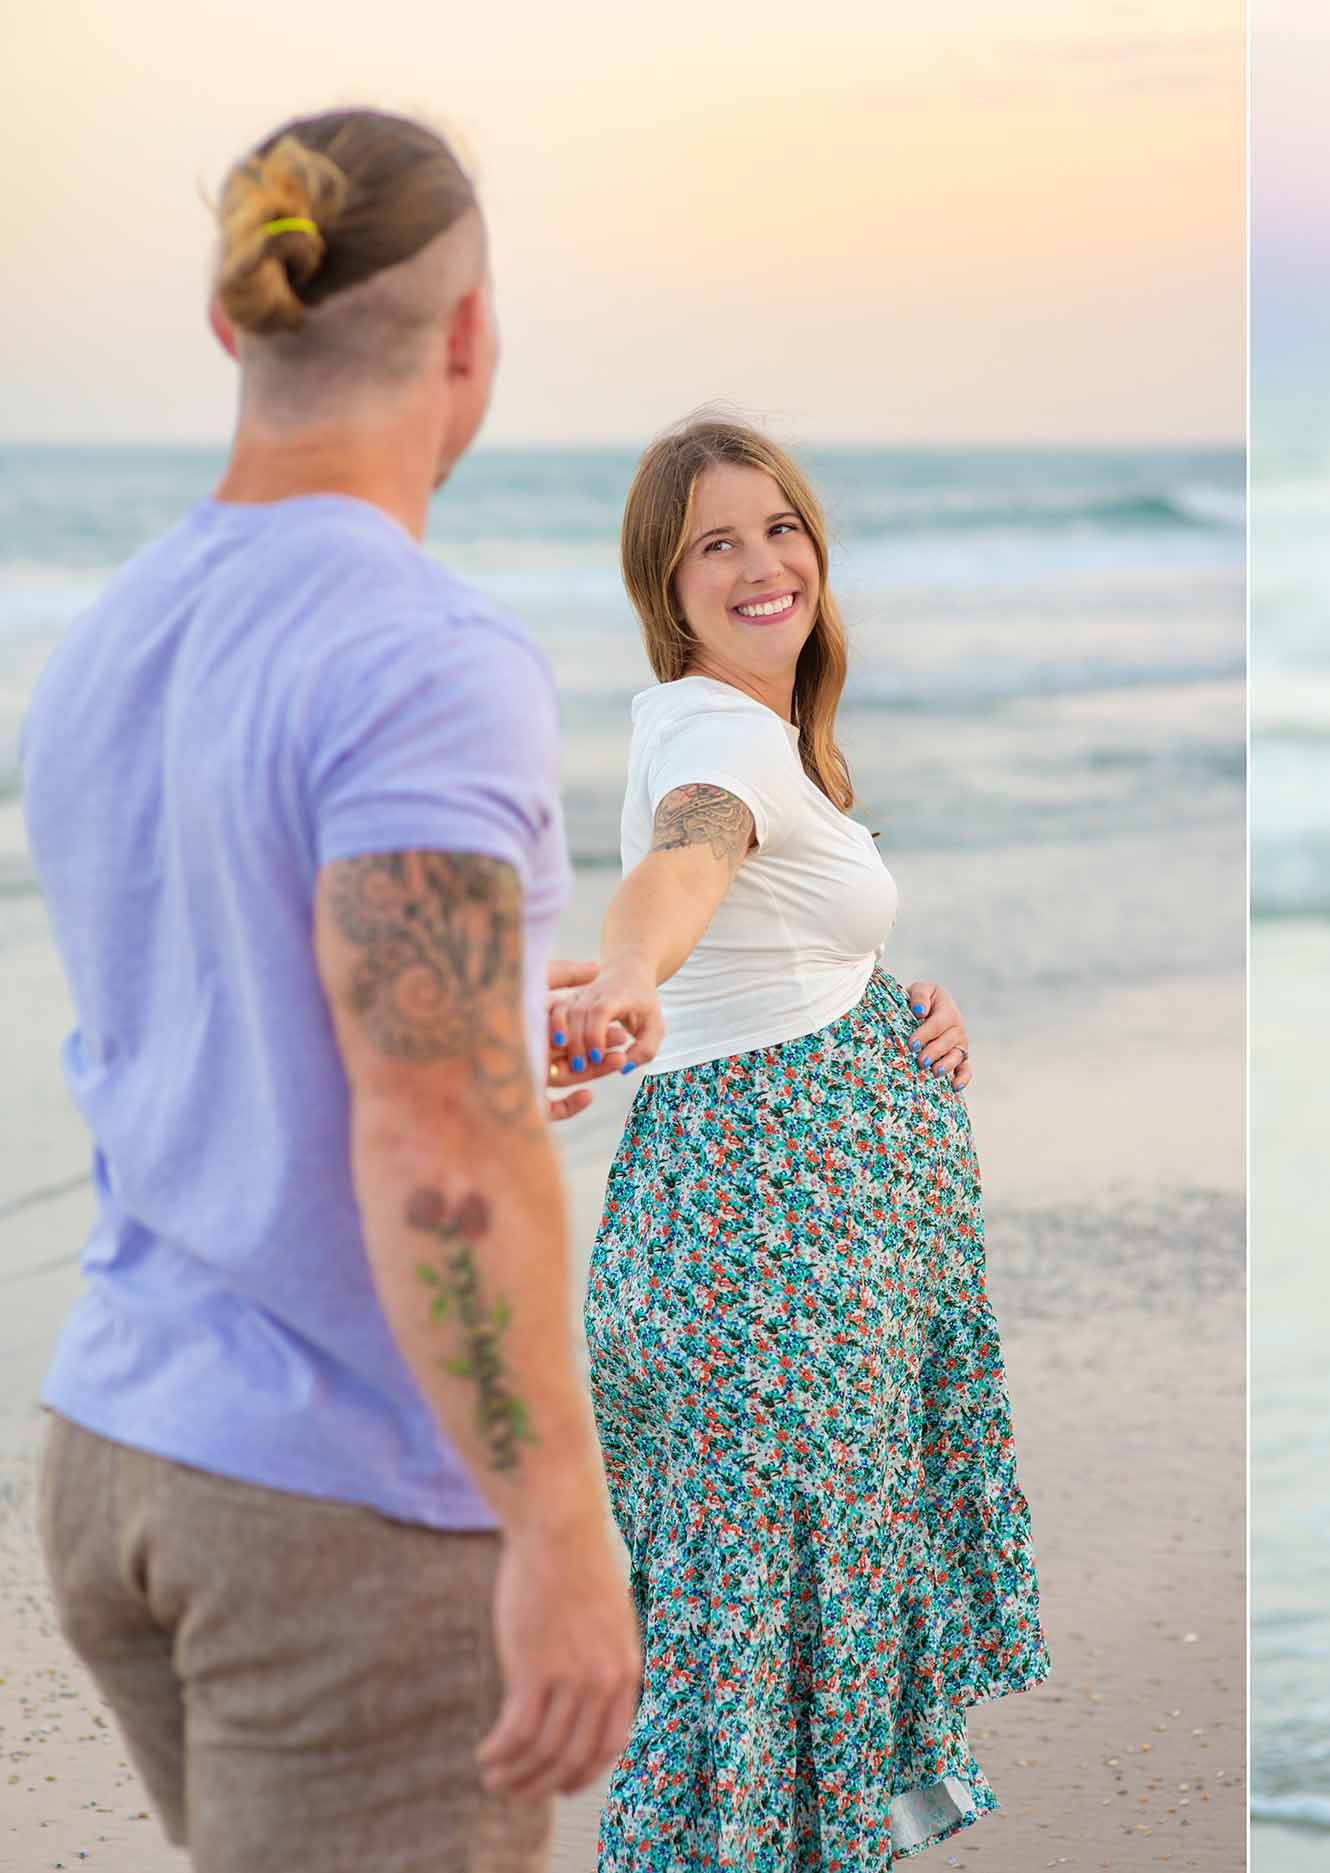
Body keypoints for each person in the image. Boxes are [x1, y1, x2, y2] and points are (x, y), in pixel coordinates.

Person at [21, 109, 639, 1870]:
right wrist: (555, 1524)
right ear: (469, 338)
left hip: (118, 1445)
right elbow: (435, 1132)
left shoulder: (108, 640)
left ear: (238, 321)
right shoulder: (420, 656)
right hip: (343, 1499)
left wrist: (508, 1021)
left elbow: (232, 1008)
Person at [543, 415, 1048, 1869]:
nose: (765, 564)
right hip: (768, 1276)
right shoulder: (712, 738)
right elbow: (688, 859)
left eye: (781, 528)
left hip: (804, 1274)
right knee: (749, 1657)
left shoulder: (768, 733)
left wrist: (897, 999)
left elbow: (773, 939)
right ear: (666, 581)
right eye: (716, 541)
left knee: (768, 1648)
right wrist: (630, 971)